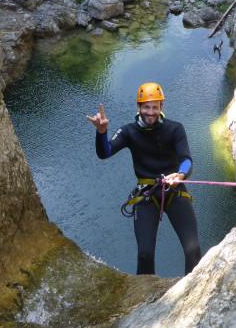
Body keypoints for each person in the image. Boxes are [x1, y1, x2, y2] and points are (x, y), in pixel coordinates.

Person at [86, 82, 201, 275]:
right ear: (138, 108)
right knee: (145, 254)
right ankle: (147, 297)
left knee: (193, 250)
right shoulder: (128, 132)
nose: (151, 112)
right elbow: (105, 152)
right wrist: (101, 132)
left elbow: (186, 159)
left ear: (161, 108)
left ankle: (193, 291)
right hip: (147, 194)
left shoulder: (175, 129)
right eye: (146, 107)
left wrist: (180, 175)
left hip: (174, 190)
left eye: (155, 107)